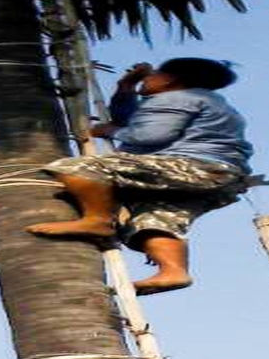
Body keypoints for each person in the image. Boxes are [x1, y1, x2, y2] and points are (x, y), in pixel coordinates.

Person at [28, 56, 253, 295]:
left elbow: (149, 135)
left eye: (153, 75)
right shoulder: (205, 101)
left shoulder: (178, 98)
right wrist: (126, 86)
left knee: (78, 168)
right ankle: (173, 272)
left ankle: (97, 220)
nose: (147, 80)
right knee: (153, 220)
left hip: (193, 167)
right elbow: (131, 119)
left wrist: (111, 131)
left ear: (169, 80)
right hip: (220, 177)